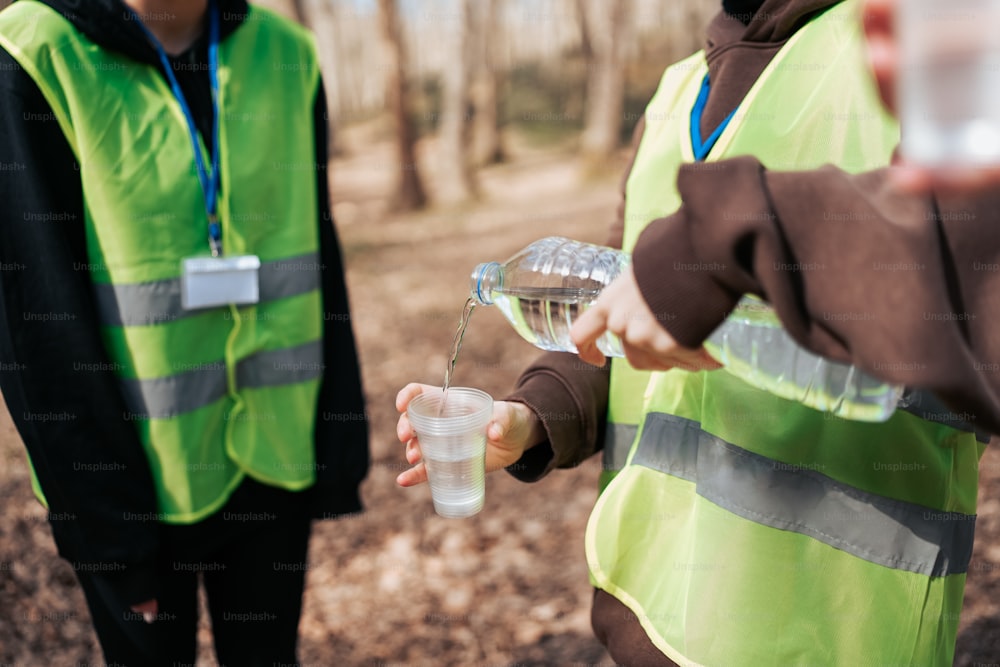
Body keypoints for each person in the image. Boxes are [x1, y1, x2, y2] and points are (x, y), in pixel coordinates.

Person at [397, 0, 989, 664]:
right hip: (647, 615)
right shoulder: (676, 92)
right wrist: (531, 417)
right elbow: (616, 311)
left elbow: (975, 301)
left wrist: (752, 248)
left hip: (833, 634)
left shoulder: (925, 39)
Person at [0, 0, 369, 665]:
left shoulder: (287, 52)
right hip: (136, 484)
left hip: (274, 459)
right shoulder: (33, 52)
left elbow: (319, 251)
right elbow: (35, 324)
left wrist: (336, 447)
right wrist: (109, 530)